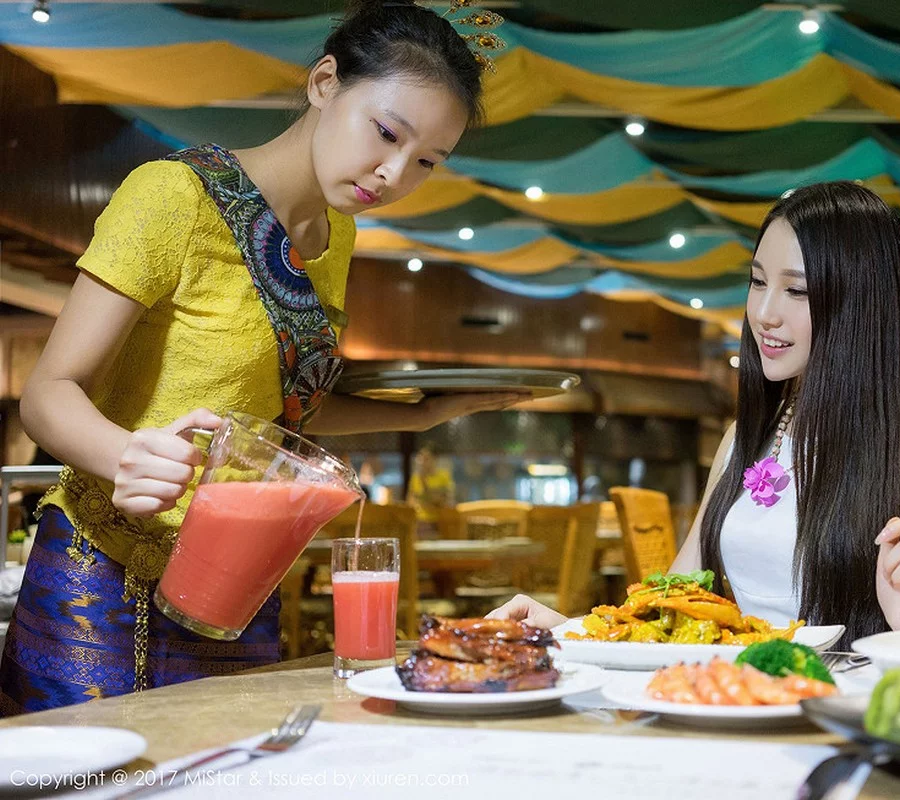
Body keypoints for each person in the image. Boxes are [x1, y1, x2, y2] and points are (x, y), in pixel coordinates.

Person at [1, 0, 519, 715]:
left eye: (426, 161)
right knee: (91, 770)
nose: (394, 174)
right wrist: (123, 454)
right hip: (103, 574)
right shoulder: (175, 198)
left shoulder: (335, 236)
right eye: (386, 133)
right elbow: (48, 391)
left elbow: (276, 414)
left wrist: (423, 415)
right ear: (325, 82)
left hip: (237, 580)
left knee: (233, 763)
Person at [491, 182, 900, 642]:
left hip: (846, 695)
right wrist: (567, 631)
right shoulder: (748, 434)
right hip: (733, 688)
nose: (764, 313)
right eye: (758, 281)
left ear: (860, 302)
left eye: (796, 290)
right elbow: (673, 599)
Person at [407, 445, 456, 535]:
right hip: (418, 522)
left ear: (434, 459)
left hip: (438, 522)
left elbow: (439, 500)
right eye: (420, 458)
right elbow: (410, 501)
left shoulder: (443, 477)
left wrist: (424, 484)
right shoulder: (415, 478)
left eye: (426, 458)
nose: (422, 462)